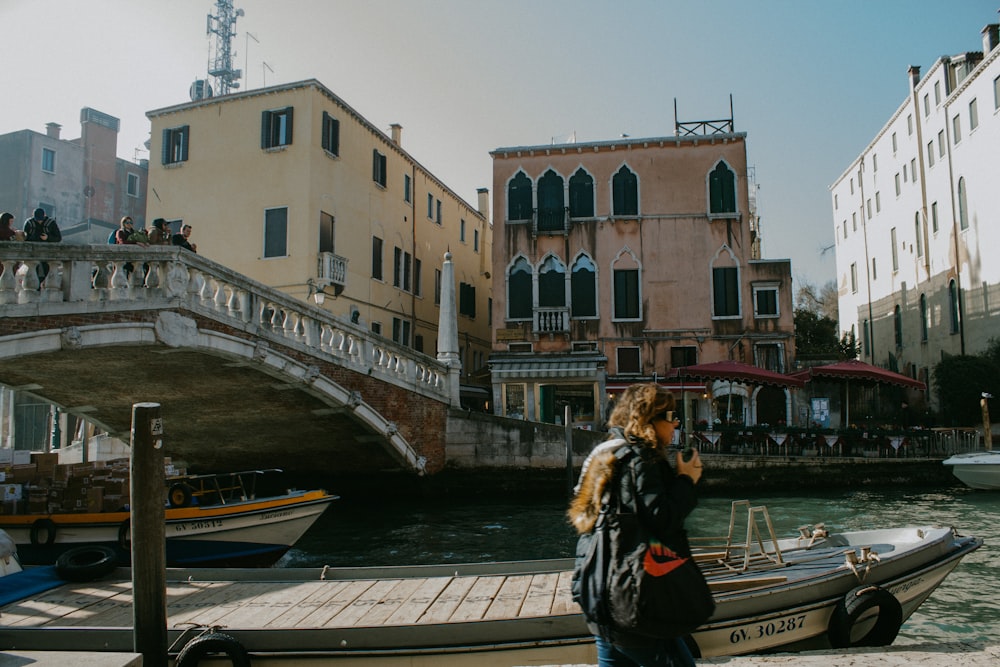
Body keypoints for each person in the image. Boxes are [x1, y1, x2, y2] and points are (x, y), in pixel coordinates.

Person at [568, 383, 704, 667]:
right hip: (633, 595)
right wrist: (686, 480)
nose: (676, 423)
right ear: (649, 419)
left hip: (596, 589)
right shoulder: (642, 459)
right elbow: (662, 518)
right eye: (670, 416)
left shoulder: (605, 452)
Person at [22, 207, 61, 283]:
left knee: (47, 269)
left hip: (47, 251)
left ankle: (41, 284)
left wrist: (48, 238)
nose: (39, 221)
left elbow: (58, 238)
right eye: (38, 219)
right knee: (33, 269)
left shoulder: (51, 223)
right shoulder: (29, 223)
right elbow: (25, 237)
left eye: (41, 219)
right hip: (33, 251)